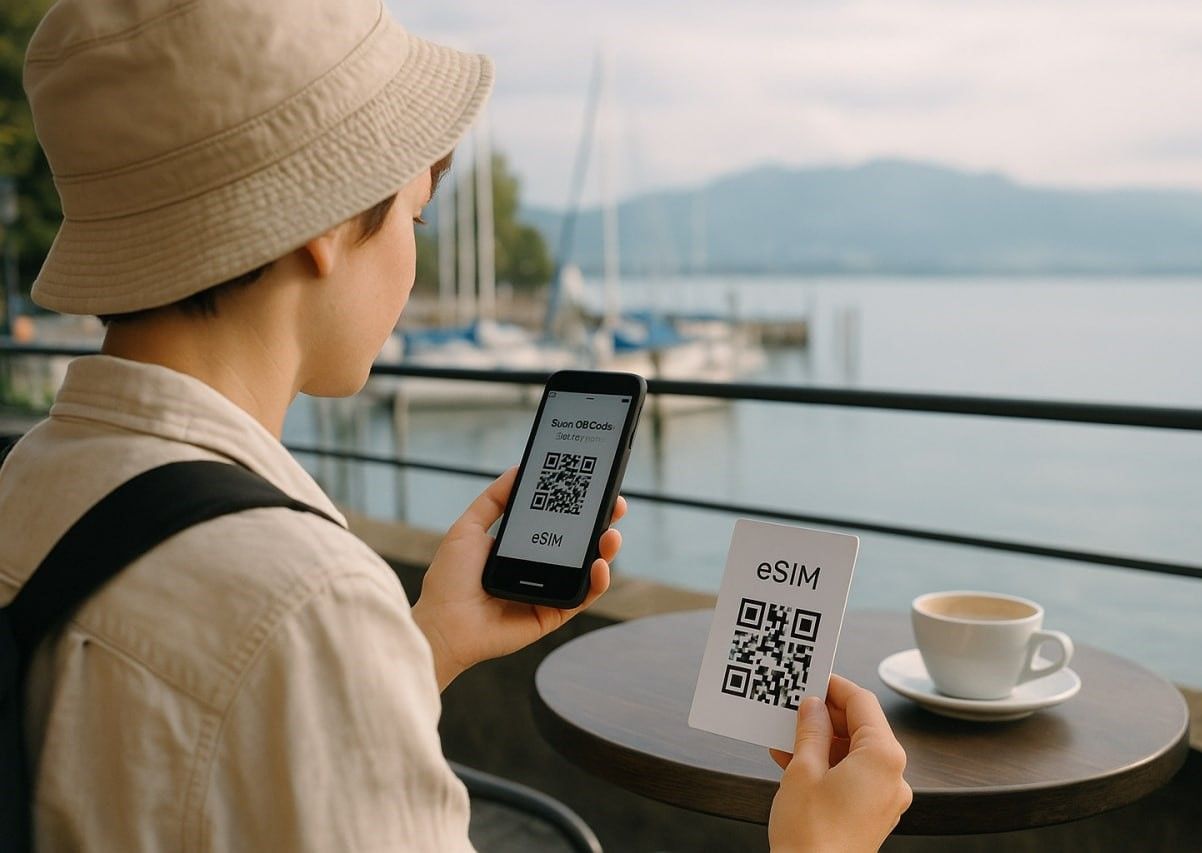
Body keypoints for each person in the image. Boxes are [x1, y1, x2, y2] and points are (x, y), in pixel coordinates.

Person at [0, 0, 910, 849]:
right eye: (415, 218)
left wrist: (422, 643)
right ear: (319, 222)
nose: (409, 258)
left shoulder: (33, 476)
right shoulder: (304, 604)